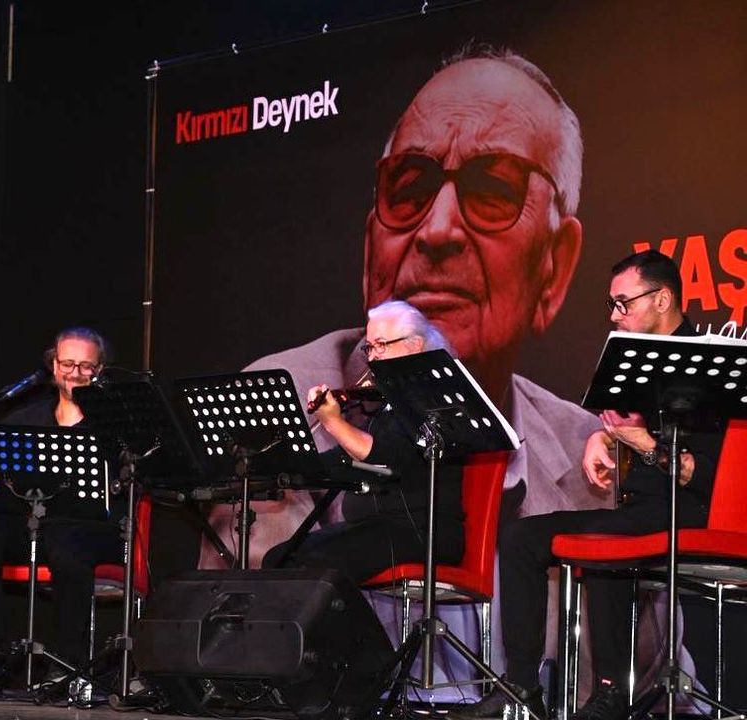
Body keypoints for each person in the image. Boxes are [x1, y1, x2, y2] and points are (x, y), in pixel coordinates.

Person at [214, 44, 627, 690]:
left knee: (329, 561)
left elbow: (389, 456)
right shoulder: (276, 388)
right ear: (368, 253)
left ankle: (366, 682)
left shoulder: (577, 452)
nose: (437, 230)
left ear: (555, 265)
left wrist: (336, 423)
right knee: (299, 561)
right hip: (377, 538)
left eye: (492, 189)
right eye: (408, 189)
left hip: (419, 536)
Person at [454, 250, 724, 720]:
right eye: (612, 304)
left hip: (696, 509)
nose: (614, 315)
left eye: (623, 303)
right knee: (520, 535)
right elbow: (623, 426)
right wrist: (602, 437)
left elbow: (704, 475)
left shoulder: (711, 364)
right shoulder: (631, 360)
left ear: (662, 300)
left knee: (604, 541)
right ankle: (521, 685)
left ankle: (612, 692)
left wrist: (642, 444)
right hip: (640, 508)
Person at [0, 327, 124, 678]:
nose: (75, 373)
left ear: (100, 370)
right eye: (67, 363)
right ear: (53, 365)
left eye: (86, 366)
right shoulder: (25, 420)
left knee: (68, 544)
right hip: (33, 526)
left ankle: (66, 663)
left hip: (91, 531)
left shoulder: (113, 424)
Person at [261, 301, 466, 581]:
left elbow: (384, 459)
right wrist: (287, 467)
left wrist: (333, 422)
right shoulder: (388, 405)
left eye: (382, 345)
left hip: (420, 530)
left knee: (321, 565)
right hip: (373, 527)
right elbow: (347, 460)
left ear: (415, 346)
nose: (373, 356)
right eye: (369, 347)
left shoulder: (435, 400)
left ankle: (347, 613)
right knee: (278, 558)